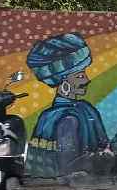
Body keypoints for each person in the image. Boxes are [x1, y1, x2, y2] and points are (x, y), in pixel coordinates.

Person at [26, 33, 109, 178]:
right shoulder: (68, 118)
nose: (87, 80)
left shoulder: (84, 108)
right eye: (80, 76)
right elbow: (69, 167)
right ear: (63, 82)